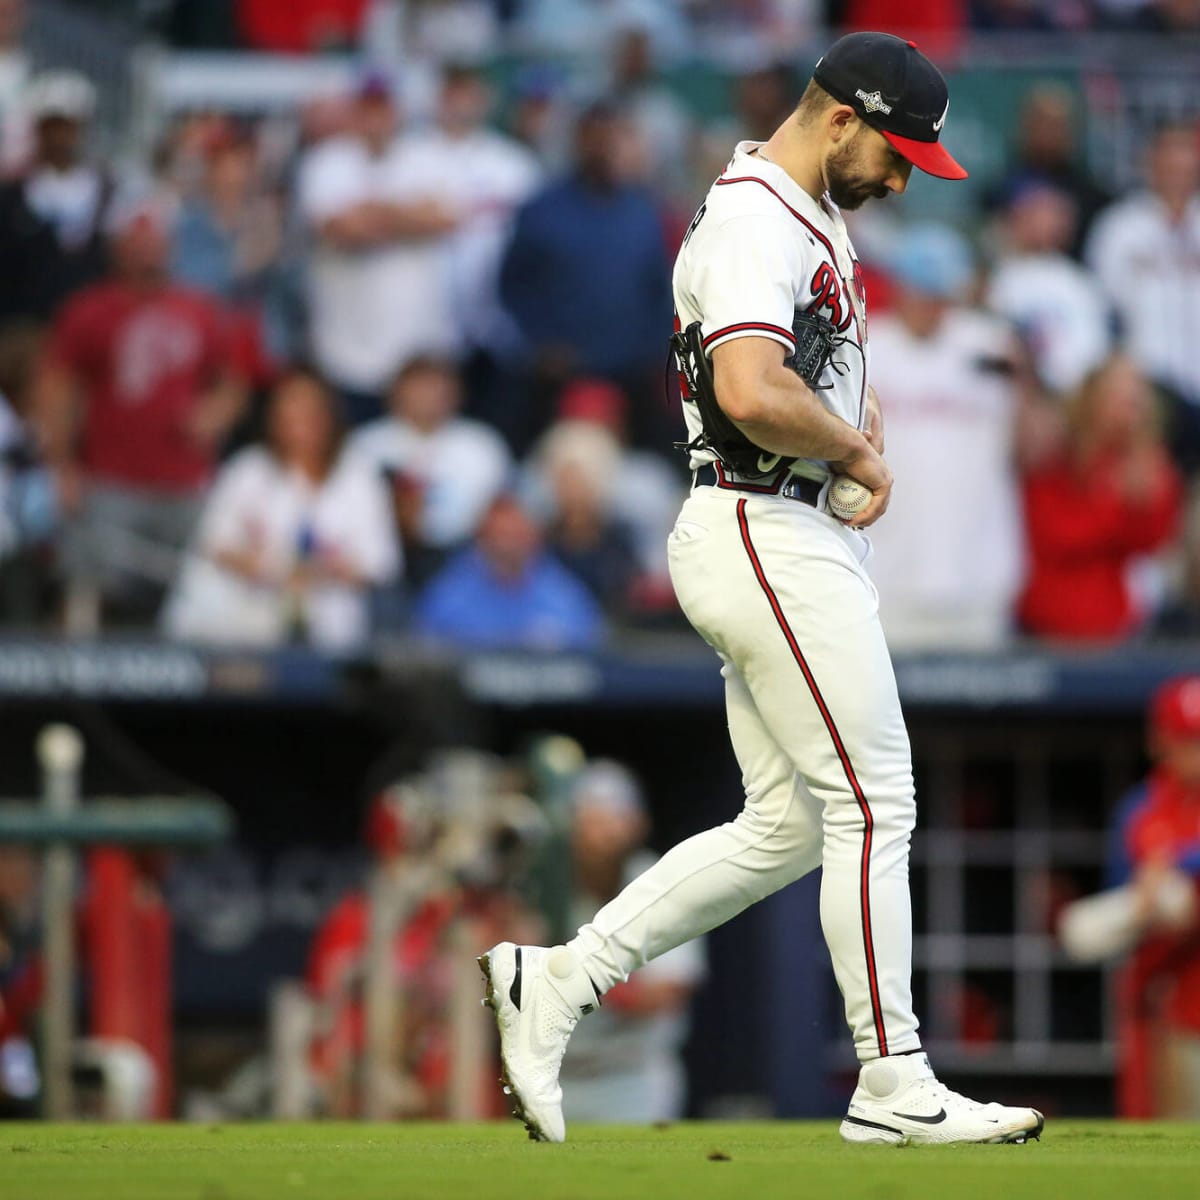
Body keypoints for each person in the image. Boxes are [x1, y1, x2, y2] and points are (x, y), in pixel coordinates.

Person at [478, 32, 1044, 1148]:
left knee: (785, 824)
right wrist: (857, 452)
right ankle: (894, 1080)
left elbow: (795, 371)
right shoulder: (754, 216)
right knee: (877, 798)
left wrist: (845, 420)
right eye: (897, 153)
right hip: (758, 521)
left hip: (778, 523)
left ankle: (559, 981)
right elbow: (747, 383)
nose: (902, 178)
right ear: (841, 118)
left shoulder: (806, 209)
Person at [33, 201, 248, 629]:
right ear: (118, 248)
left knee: (193, 595)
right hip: (111, 479)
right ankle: (75, 684)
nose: (148, 252)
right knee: (90, 590)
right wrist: (61, 465)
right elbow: (56, 390)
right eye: (138, 243)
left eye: (156, 243)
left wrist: (215, 413)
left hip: (186, 481)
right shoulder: (90, 310)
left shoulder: (198, 309)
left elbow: (233, 381)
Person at [867, 224, 1028, 651]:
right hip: (882, 577)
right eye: (921, 289)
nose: (930, 304)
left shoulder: (990, 345)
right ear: (899, 286)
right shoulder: (865, 348)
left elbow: (1036, 447)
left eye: (940, 292)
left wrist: (1028, 378)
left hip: (979, 575)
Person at [163, 367, 399, 651]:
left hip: (330, 623)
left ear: (329, 416)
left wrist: (313, 571)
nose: (299, 422)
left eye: (310, 411)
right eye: (289, 410)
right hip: (243, 616)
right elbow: (214, 543)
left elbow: (380, 563)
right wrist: (268, 567)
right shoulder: (248, 469)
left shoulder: (359, 474)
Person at [498, 100, 673, 452]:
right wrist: (540, 344)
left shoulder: (643, 211)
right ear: (577, 141)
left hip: (630, 375)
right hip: (558, 375)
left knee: (644, 471)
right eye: (593, 137)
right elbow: (512, 286)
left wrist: (652, 349)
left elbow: (661, 288)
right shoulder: (542, 209)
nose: (602, 147)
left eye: (610, 138)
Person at [295, 73, 459, 423]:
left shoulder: (429, 155)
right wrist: (408, 212)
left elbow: (445, 219)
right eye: (368, 107)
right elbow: (341, 230)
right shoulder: (327, 160)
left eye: (384, 107)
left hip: (416, 352)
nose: (376, 117)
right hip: (343, 352)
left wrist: (371, 209)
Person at [558, 761, 704, 1124]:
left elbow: (667, 992)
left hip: (630, 1080)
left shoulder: (661, 883)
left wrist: (574, 981)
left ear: (636, 824)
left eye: (610, 821)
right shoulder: (546, 885)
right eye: (589, 821)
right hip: (555, 1079)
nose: (598, 836)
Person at [1018, 355, 1182, 643]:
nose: (1127, 410)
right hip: (1042, 627)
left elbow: (1153, 540)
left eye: (1134, 400)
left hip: (1115, 628)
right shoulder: (1053, 454)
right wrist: (1114, 502)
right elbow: (1054, 534)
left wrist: (1146, 496)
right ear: (1092, 398)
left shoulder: (1144, 463)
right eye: (1118, 397)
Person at [1106, 676, 1200, 1118]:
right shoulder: (1143, 809)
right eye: (1188, 741)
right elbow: (1119, 907)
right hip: (1168, 992)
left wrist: (1181, 863)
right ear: (1161, 741)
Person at [1085, 120, 1200, 469]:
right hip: (1149, 388)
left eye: (1186, 161)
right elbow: (1102, 310)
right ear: (1151, 163)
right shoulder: (1119, 228)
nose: (1178, 171)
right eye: (1169, 161)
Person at [349, 355, 512, 585]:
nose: (427, 396)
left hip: (465, 555)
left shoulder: (482, 444)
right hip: (388, 550)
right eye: (419, 386)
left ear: (456, 392)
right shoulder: (366, 446)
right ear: (396, 392)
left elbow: (502, 511)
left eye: (436, 386)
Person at [0, 71, 118, 332]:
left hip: (89, 327)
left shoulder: (107, 192)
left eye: (67, 126)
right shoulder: (12, 196)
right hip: (24, 327)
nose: (60, 136)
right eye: (52, 126)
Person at [414, 493, 604, 651]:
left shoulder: (565, 595)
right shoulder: (448, 596)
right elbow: (425, 655)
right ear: (481, 538)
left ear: (534, 538)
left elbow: (592, 653)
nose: (508, 544)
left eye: (517, 534)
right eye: (500, 534)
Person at [985, 179, 1111, 399]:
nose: (1044, 223)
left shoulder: (1080, 282)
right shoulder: (997, 279)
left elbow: (1094, 352)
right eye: (1033, 214)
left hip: (1072, 398)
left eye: (1053, 215)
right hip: (1014, 397)